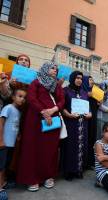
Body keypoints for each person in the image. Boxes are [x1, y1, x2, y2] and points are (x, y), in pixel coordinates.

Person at [17, 62, 65, 191]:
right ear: (45, 69)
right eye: (52, 68)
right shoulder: (36, 82)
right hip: (35, 120)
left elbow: (62, 100)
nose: (55, 70)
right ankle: (32, 178)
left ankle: (48, 176)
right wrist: (43, 111)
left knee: (50, 149)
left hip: (52, 120)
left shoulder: (57, 85)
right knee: (33, 149)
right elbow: (31, 99)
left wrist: (53, 110)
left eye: (56, 69)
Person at [61, 71, 92, 180]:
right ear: (72, 78)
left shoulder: (84, 93)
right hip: (71, 123)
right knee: (70, 146)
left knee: (81, 146)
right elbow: (62, 107)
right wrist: (69, 115)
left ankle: (79, 170)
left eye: (81, 78)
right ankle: (69, 171)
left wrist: (90, 114)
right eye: (77, 78)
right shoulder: (66, 91)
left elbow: (89, 109)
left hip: (83, 124)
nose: (79, 80)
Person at [0, 88, 26, 199]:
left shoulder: (18, 111)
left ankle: (3, 182)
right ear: (13, 97)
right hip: (4, 143)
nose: (22, 99)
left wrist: (18, 134)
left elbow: (15, 125)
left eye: (24, 97)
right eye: (20, 96)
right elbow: (1, 123)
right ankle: (0, 188)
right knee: (1, 166)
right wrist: (1, 140)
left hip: (11, 144)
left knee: (6, 164)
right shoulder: (8, 108)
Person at [82, 75, 99, 168]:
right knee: (85, 138)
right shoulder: (83, 91)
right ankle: (84, 162)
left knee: (92, 138)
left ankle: (90, 162)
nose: (92, 81)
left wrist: (98, 103)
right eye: (90, 80)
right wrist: (87, 95)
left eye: (93, 80)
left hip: (93, 119)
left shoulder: (94, 93)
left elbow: (95, 107)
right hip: (86, 118)